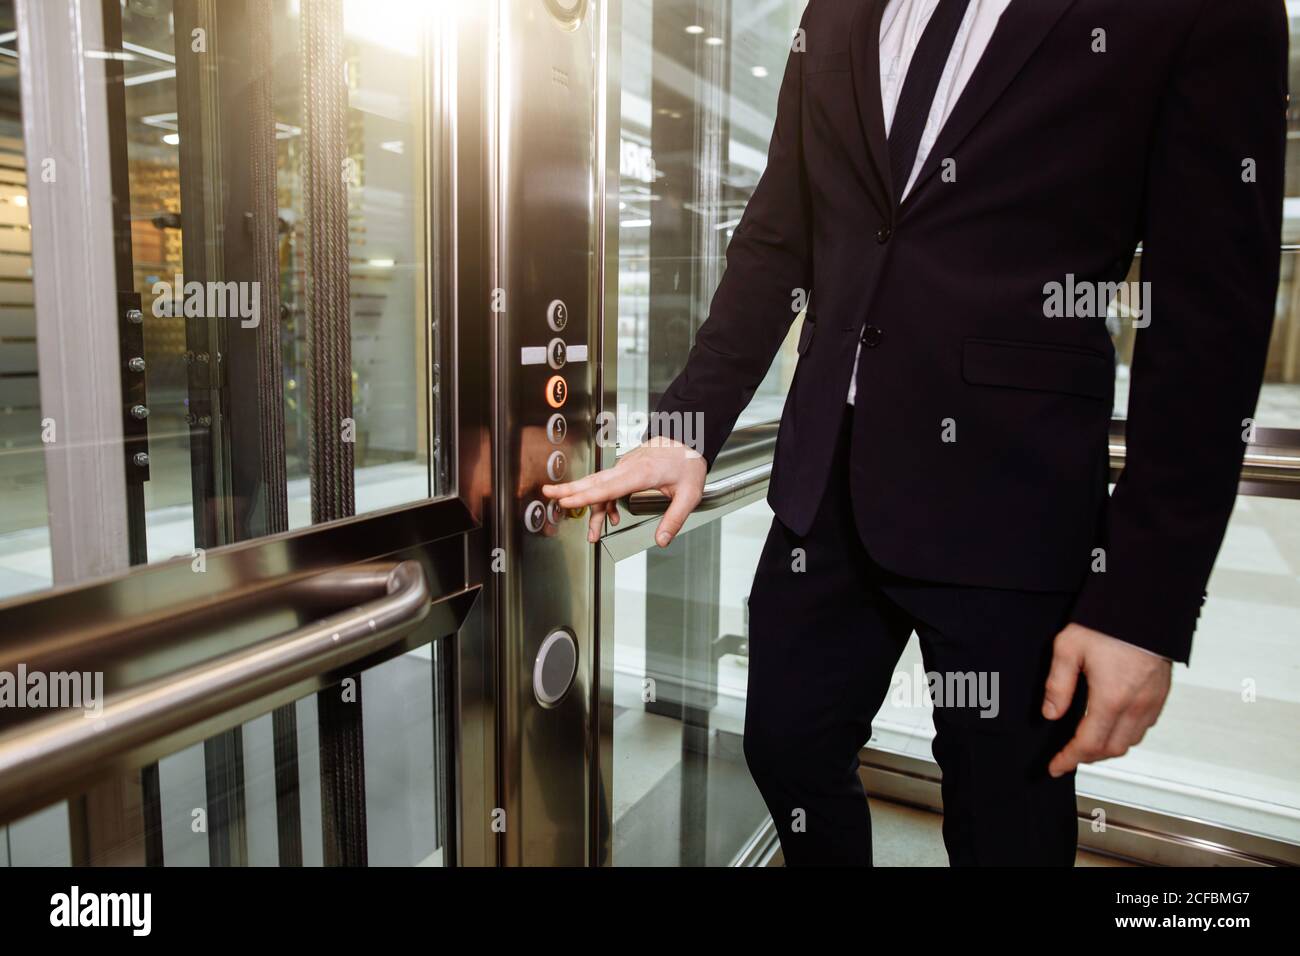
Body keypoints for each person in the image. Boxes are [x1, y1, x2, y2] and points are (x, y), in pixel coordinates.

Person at [544, 0, 1289, 865]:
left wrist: (1145, 606)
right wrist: (687, 422)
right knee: (785, 746)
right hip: (827, 485)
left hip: (1016, 501)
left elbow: (1209, 318)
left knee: (1007, 820)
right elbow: (778, 238)